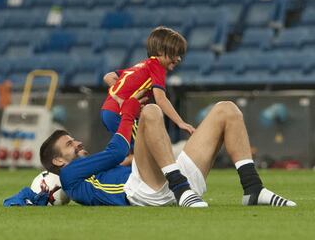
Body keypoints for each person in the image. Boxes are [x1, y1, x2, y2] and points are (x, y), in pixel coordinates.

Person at [39, 94, 296, 207]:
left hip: (165, 180)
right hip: (145, 192)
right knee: (151, 111)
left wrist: (119, 99)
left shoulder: (87, 172)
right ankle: (180, 187)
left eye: (74, 139)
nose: (78, 143)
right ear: (58, 160)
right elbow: (118, 151)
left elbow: (125, 157)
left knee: (226, 109)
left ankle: (253, 189)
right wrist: (128, 111)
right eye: (69, 144)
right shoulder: (70, 175)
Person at [100, 26, 195, 147]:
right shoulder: (157, 66)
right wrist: (180, 123)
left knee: (129, 152)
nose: (179, 59)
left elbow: (108, 76)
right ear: (160, 51)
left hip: (107, 111)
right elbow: (161, 99)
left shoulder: (141, 65)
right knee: (141, 153)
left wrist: (123, 95)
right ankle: (97, 165)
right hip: (120, 113)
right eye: (175, 53)